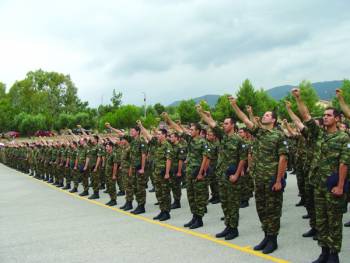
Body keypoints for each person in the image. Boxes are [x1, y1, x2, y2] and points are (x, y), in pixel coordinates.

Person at [293, 88, 349, 263]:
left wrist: (340, 186)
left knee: (334, 222)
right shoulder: (318, 135)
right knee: (321, 220)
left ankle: (334, 255)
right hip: (318, 185)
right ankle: (324, 252)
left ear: (338, 119)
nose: (325, 117)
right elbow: (306, 116)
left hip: (333, 187)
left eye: (329, 115)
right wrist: (298, 99)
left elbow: (344, 163)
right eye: (324, 115)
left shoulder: (343, 138)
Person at [229, 96, 288, 254]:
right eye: (264, 115)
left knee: (273, 210)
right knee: (261, 209)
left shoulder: (279, 136)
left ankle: (273, 239)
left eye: (268, 115)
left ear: (274, 120)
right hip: (259, 179)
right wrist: (234, 105)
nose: (264, 116)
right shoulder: (260, 133)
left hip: (271, 180)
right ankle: (266, 236)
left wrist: (278, 180)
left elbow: (283, 159)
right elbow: (244, 118)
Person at [197, 106, 247, 240]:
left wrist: (237, 175)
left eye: (226, 123)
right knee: (225, 203)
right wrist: (201, 112)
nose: (223, 125)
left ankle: (234, 229)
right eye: (223, 123)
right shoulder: (223, 137)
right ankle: (228, 226)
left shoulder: (239, 140)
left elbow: (243, 159)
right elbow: (212, 123)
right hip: (222, 176)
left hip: (232, 177)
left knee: (233, 203)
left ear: (232, 125)